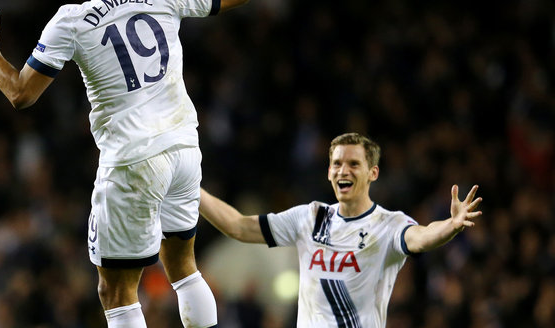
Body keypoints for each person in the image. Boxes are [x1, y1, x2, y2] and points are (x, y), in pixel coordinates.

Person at [0, 0, 254, 328]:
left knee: (115, 291)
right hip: (183, 150)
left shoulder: (71, 21)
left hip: (133, 161)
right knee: (183, 265)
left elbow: (21, 94)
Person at [199, 132, 482, 327]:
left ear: (373, 173)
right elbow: (238, 226)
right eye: (337, 164)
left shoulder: (388, 224)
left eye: (353, 164)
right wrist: (191, 190)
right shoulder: (309, 217)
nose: (343, 170)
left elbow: (421, 236)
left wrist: (450, 226)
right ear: (328, 172)